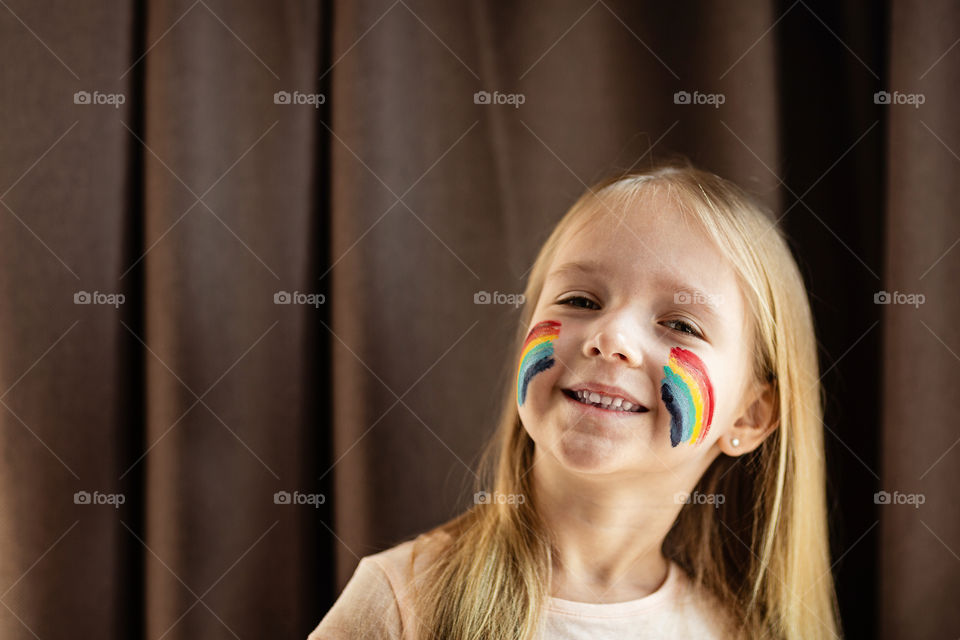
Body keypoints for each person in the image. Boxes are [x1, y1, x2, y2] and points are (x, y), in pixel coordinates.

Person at [309, 159, 841, 639]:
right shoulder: (403, 600)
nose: (609, 338)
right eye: (581, 299)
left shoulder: (732, 634)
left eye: (680, 323)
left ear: (749, 416)